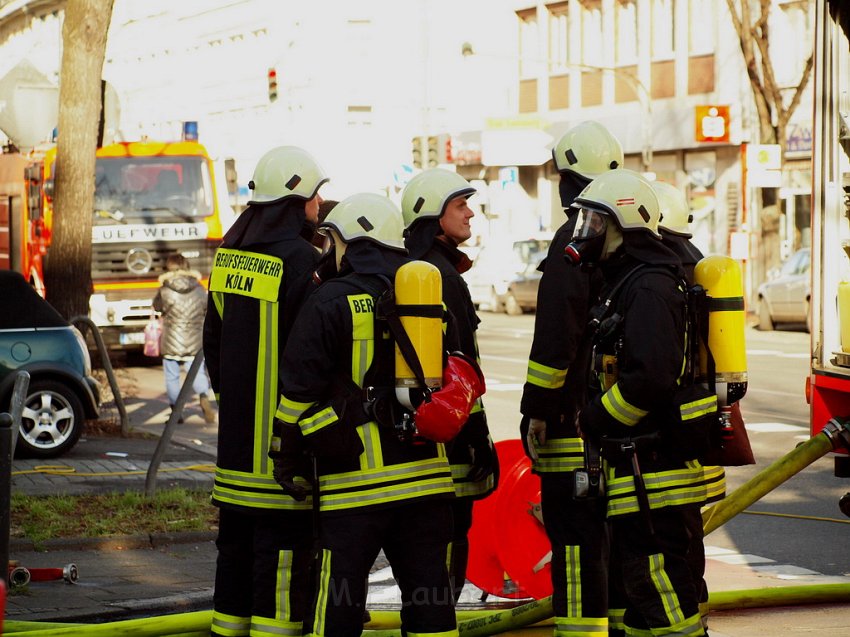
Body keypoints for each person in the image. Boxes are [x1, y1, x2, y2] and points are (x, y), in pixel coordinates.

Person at [274, 193, 467, 637]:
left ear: (353, 242)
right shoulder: (427, 298)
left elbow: (298, 391)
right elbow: (456, 379)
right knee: (430, 601)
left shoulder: (330, 301)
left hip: (354, 490)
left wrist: (286, 453)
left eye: (335, 242)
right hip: (427, 485)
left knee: (337, 606)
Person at [569, 168, 713, 637]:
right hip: (637, 463)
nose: (584, 233)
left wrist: (594, 420)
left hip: (653, 467)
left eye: (593, 222)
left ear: (621, 224)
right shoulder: (627, 281)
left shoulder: (648, 286)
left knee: (658, 584)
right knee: (641, 590)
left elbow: (649, 379)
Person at [202, 145, 328, 637]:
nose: (320, 207)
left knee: (232, 560)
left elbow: (214, 346)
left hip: (234, 453)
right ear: (298, 201)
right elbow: (315, 356)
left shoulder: (229, 259)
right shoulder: (304, 261)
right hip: (283, 455)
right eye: (317, 197)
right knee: (280, 567)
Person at [519, 121, 623, 636]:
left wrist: (536, 409)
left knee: (577, 543)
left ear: (571, 180)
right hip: (624, 422)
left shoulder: (574, 240)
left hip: (572, 424)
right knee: (622, 543)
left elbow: (557, 336)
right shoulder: (640, 233)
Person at [400, 168, 498, 601]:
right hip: (451, 441)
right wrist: (478, 437)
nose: (470, 213)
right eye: (460, 205)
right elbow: (463, 373)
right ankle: (438, 616)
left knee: (423, 537)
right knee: (449, 531)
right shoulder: (444, 278)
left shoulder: (409, 271)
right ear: (432, 215)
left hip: (414, 437)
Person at [152, 253, 215, 424]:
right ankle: (203, 396)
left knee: (172, 376)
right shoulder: (200, 288)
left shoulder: (165, 289)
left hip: (172, 339)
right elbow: (207, 309)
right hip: (195, 338)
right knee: (196, 371)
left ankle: (176, 412)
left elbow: (157, 307)